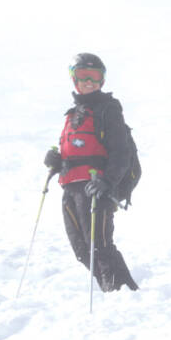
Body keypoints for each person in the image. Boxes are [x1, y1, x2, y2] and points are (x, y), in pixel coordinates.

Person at [44, 52, 138, 292]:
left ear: (102, 80)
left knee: (100, 247)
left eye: (95, 76)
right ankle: (114, 290)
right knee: (81, 250)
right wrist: (56, 162)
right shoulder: (73, 114)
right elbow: (77, 153)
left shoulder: (108, 110)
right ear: (74, 78)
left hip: (97, 187)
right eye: (84, 75)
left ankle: (123, 293)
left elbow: (121, 152)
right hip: (71, 188)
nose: (89, 81)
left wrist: (108, 182)